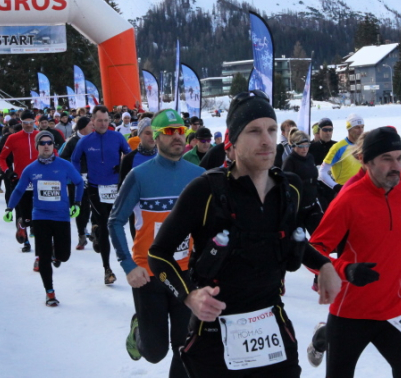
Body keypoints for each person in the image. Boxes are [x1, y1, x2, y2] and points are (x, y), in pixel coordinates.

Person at [148, 90, 341, 377]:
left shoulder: (289, 188)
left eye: (271, 130)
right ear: (234, 141)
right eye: (254, 131)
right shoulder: (205, 190)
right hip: (214, 332)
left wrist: (324, 265)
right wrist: (190, 296)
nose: (266, 140)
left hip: (271, 325)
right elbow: (158, 254)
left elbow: (287, 238)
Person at [109, 109, 204, 377]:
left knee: (186, 347)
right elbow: (115, 221)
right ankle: (139, 331)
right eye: (169, 132)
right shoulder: (139, 175)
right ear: (156, 137)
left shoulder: (199, 175)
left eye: (180, 131)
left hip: (184, 273)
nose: (177, 137)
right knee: (154, 352)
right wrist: (128, 266)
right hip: (148, 274)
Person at [309, 127, 401, 377]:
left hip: (394, 308)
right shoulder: (349, 199)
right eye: (387, 159)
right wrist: (346, 270)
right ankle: (323, 336)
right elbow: (312, 250)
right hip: (351, 312)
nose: (396, 166)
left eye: (400, 158)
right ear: (365, 161)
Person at [5, 131, 83, 307]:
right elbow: (19, 189)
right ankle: (50, 293)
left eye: (49, 143)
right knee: (44, 258)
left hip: (61, 216)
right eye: (42, 143)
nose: (46, 146)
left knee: (64, 256)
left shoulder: (64, 165)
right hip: (40, 217)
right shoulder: (30, 169)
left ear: (54, 146)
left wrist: (77, 203)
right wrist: (9, 208)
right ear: (37, 146)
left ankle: (56, 253)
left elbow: (79, 182)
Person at [71, 105, 131, 284]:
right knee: (106, 225)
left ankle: (96, 231)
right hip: (95, 189)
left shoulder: (117, 137)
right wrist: (79, 178)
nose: (103, 124)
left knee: (114, 224)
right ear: (93, 121)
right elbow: (74, 159)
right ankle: (107, 269)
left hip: (115, 189)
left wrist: (123, 167)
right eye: (99, 121)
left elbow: (129, 155)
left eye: (106, 120)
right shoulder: (85, 141)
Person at [0, 110, 39, 253]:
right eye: (25, 123)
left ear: (35, 122)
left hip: (38, 179)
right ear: (21, 123)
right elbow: (1, 158)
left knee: (38, 209)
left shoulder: (40, 136)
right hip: (20, 179)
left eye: (31, 122)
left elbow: (54, 154)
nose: (28, 125)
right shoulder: (13, 138)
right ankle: (25, 240)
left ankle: (35, 230)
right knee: (21, 211)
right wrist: (8, 171)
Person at [118, 117, 158, 239]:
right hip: (137, 212)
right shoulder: (129, 159)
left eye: (154, 133)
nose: (151, 136)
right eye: (147, 133)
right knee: (140, 247)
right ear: (139, 135)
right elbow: (122, 189)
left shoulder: (165, 157)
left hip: (161, 209)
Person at [60, 117, 93, 250]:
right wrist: (76, 164)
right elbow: (63, 158)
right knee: (79, 206)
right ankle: (81, 235)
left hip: (92, 177)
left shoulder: (93, 139)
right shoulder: (72, 141)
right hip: (76, 179)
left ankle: (90, 228)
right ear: (83, 127)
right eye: (90, 125)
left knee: (90, 205)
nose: (93, 127)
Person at [282, 130, 323, 235]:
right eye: (301, 146)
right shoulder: (289, 162)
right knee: (299, 240)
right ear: (294, 146)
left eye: (307, 145)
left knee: (320, 236)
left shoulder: (310, 157)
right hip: (298, 210)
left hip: (312, 205)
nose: (305, 149)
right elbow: (285, 187)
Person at [319, 114, 364, 195]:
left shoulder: (364, 145)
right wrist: (336, 187)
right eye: (357, 127)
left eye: (362, 127)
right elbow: (322, 172)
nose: (361, 130)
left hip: (362, 191)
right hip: (345, 192)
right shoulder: (338, 147)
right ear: (349, 129)